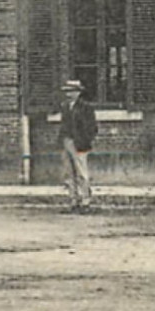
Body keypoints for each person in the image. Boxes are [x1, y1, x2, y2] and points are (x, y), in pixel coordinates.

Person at [57, 79, 98, 212]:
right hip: (66, 142)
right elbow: (63, 125)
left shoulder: (86, 107)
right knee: (69, 174)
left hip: (79, 144)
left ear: (78, 92)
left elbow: (92, 127)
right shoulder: (64, 107)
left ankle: (86, 201)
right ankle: (73, 201)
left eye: (72, 91)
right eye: (67, 92)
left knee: (82, 173)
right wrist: (62, 140)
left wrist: (84, 140)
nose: (69, 94)